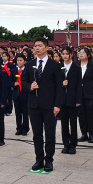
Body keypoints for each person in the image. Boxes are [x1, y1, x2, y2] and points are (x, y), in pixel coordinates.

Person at [22, 37, 64, 173]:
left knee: (50, 134)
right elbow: (23, 81)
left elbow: (59, 87)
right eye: (35, 46)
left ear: (46, 48)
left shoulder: (55, 65)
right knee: (37, 134)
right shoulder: (29, 64)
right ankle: (39, 159)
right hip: (33, 105)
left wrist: (57, 105)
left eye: (40, 45)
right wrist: (30, 86)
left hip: (49, 105)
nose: (37, 48)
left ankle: (49, 160)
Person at [77, 47, 93, 144]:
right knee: (81, 115)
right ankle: (84, 134)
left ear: (88, 55)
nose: (81, 54)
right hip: (79, 94)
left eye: (83, 53)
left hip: (91, 93)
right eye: (80, 52)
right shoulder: (76, 65)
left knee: (91, 114)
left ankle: (91, 135)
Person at [60, 47, 82, 154]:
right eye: (63, 53)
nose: (65, 56)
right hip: (62, 100)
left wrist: (78, 100)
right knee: (64, 123)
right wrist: (61, 84)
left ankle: (73, 145)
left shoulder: (77, 67)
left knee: (73, 123)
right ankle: (65, 144)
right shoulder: (58, 67)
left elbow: (79, 85)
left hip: (73, 99)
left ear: (71, 55)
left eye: (67, 54)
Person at [13, 54, 29, 136]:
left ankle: (25, 128)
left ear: (25, 62)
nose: (19, 62)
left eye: (21, 60)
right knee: (17, 113)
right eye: (18, 60)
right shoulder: (14, 71)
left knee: (25, 113)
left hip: (25, 95)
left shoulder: (27, 71)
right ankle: (19, 128)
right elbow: (9, 82)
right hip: (16, 95)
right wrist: (13, 83)